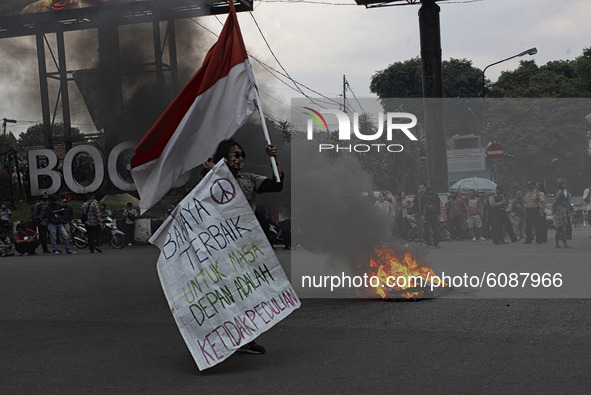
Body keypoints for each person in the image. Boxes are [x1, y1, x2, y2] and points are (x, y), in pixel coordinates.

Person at [203, 138, 284, 355]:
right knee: (227, 291)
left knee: (247, 291)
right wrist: (212, 173)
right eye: (235, 155)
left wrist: (273, 158)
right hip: (222, 245)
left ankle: (244, 337)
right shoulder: (212, 176)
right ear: (224, 158)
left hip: (246, 245)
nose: (240, 159)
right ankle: (223, 335)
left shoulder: (249, 178)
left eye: (242, 155)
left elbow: (276, 184)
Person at [420, 181, 441, 248]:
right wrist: (422, 215)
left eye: (429, 185)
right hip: (426, 215)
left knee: (435, 229)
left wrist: (439, 214)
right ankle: (428, 242)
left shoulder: (435, 195)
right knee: (426, 229)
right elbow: (421, 205)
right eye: (427, 185)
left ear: (432, 186)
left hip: (434, 214)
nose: (428, 186)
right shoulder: (423, 196)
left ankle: (436, 243)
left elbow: (438, 205)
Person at [552, 178, 571, 248]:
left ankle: (557, 243)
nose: (565, 185)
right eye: (564, 184)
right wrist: (553, 210)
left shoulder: (562, 191)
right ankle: (564, 243)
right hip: (560, 209)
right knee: (561, 227)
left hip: (562, 209)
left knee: (560, 228)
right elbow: (555, 201)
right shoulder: (559, 191)